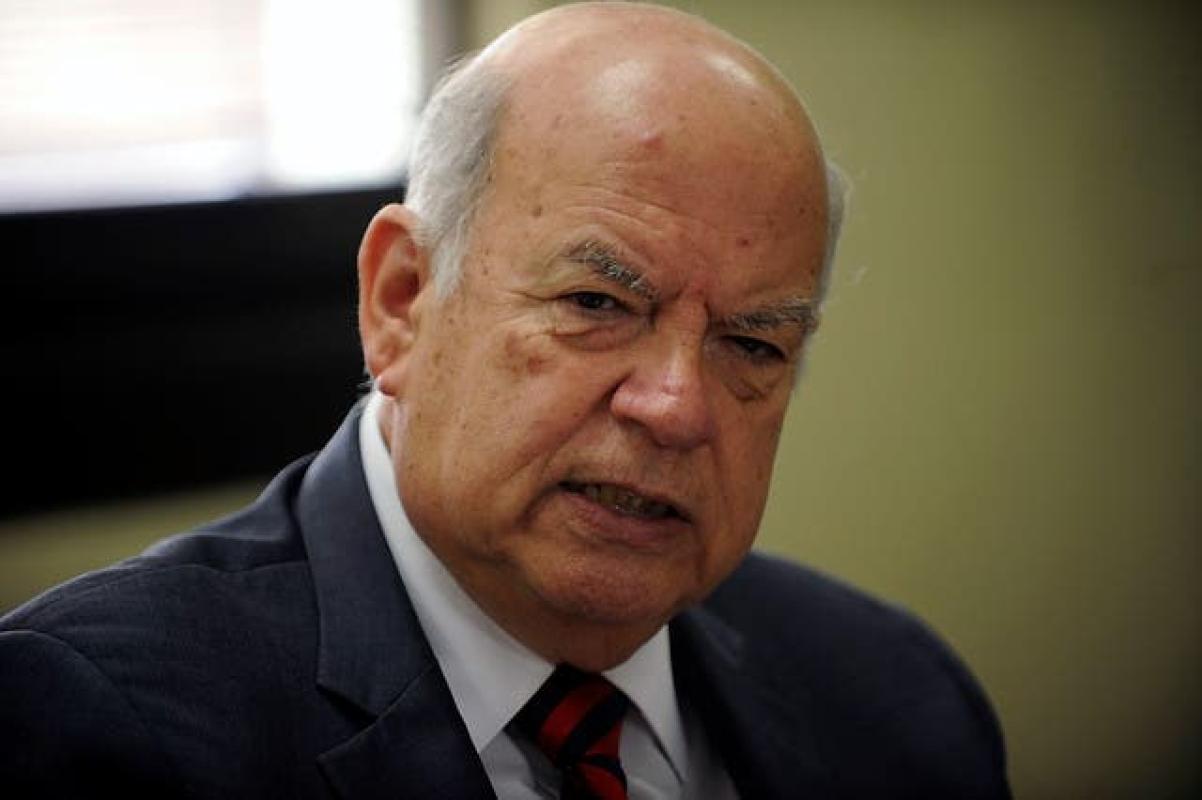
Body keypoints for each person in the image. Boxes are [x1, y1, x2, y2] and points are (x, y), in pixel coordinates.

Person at [0, 3, 1010, 798]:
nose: (675, 406)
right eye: (596, 303)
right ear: (402, 302)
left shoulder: (900, 701)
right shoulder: (96, 724)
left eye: (752, 343)